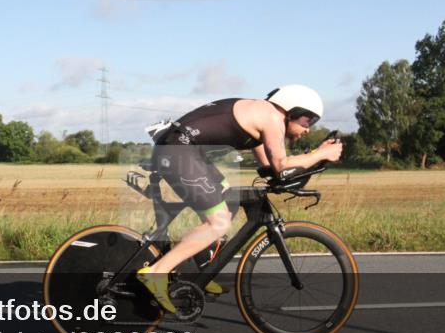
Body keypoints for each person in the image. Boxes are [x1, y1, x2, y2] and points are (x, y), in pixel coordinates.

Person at [137, 85, 344, 313]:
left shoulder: (261, 114)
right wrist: (320, 154)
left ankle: (203, 269)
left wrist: (309, 162)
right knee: (218, 222)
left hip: (185, 151)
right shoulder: (272, 117)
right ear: (291, 110)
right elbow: (281, 165)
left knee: (228, 199)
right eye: (308, 121)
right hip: (179, 152)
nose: (308, 129)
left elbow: (271, 169)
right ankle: (157, 273)